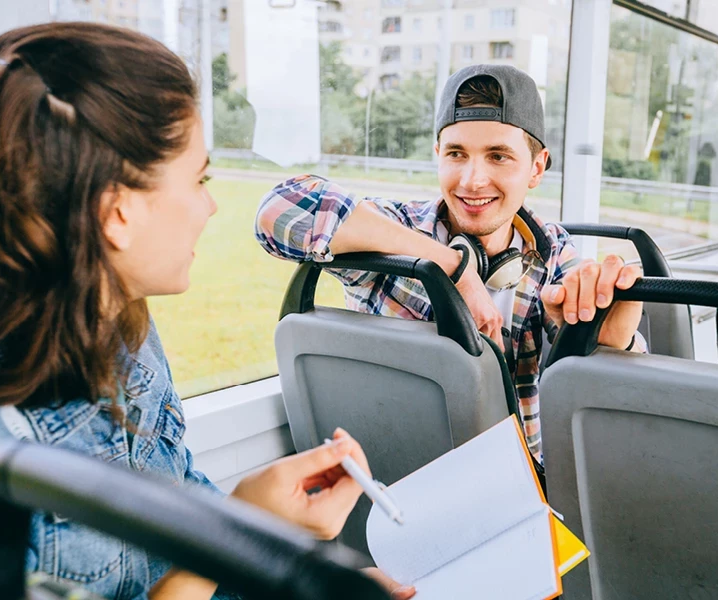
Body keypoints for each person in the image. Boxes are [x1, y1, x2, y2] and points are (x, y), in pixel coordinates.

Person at [0, 23, 413, 600]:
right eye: (198, 178)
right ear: (118, 213)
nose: (209, 205)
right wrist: (247, 525)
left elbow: (185, 537)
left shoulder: (124, 330)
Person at [256, 64, 645, 461]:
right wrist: (452, 268)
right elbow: (276, 211)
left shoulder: (554, 251)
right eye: (457, 154)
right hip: (401, 472)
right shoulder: (396, 231)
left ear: (537, 168)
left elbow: (613, 423)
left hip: (520, 483)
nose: (473, 180)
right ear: (438, 154)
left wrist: (613, 344)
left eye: (498, 156)